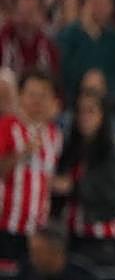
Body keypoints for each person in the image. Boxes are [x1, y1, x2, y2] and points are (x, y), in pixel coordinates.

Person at [52, 90, 115, 267]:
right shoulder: (69, 153)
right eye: (80, 111)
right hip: (71, 240)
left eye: (91, 111)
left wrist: (74, 187)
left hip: (103, 243)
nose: (84, 117)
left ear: (103, 116)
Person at [0, 71, 62, 265]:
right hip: (6, 227)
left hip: (38, 233)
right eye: (31, 94)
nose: (37, 101)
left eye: (43, 95)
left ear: (52, 100)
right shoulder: (7, 127)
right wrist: (22, 154)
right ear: (20, 96)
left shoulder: (54, 135)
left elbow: (48, 178)